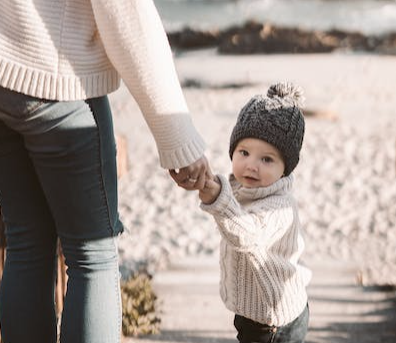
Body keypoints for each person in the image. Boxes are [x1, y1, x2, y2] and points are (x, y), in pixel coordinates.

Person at [0, 1, 210, 342]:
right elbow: (127, 14)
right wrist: (178, 136)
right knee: (93, 259)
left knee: (26, 245)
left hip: (4, 76)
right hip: (59, 83)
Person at [198, 82, 312, 343]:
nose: (251, 165)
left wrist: (217, 197)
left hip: (274, 321)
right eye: (244, 152)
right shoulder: (242, 191)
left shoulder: (279, 207)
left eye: (267, 159)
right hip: (254, 312)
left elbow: (246, 234)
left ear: (286, 168)